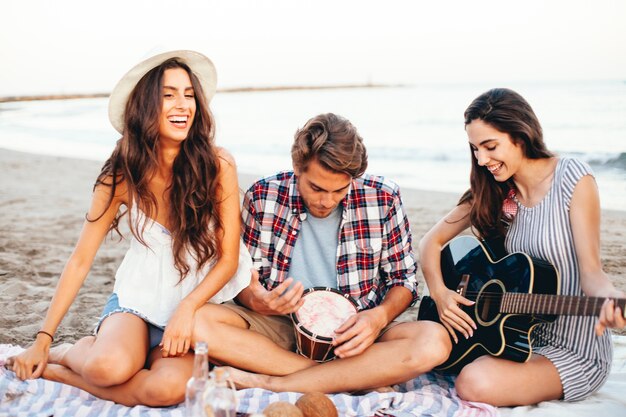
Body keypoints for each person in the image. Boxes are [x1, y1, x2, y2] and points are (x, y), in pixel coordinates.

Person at [6, 50, 251, 406]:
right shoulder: (119, 175)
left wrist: (187, 310)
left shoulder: (217, 165)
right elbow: (80, 261)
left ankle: (59, 373)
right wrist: (43, 339)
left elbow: (229, 259)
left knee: (166, 392)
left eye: (188, 94)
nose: (183, 104)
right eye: (168, 95)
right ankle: (67, 353)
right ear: (145, 105)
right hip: (136, 301)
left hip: (190, 311)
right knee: (107, 369)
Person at [192, 112, 451, 393]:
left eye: (339, 190)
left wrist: (378, 318)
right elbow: (243, 280)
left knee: (434, 341)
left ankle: (273, 382)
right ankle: (342, 378)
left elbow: (404, 279)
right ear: (297, 166)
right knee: (196, 323)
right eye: (316, 188)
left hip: (357, 332)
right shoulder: (262, 195)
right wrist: (258, 301)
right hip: (283, 328)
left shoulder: (384, 198)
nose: (327, 201)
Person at [418, 88, 626, 406]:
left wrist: (612, 299)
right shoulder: (493, 190)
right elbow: (430, 242)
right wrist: (440, 293)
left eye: (490, 146)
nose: (482, 159)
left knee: (473, 381)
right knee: (439, 358)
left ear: (520, 134)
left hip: (573, 351)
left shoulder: (573, 178)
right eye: (475, 149)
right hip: (510, 340)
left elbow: (591, 273)